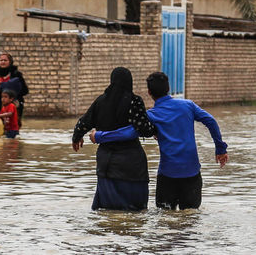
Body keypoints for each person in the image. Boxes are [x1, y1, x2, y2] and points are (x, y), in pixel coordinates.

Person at [95, 71, 228, 210]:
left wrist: (99, 136)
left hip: (167, 176)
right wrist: (220, 149)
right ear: (168, 88)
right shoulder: (188, 106)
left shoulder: (151, 114)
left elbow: (129, 132)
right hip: (192, 174)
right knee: (191, 219)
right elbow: (211, 121)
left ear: (149, 92)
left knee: (164, 219)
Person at [71, 67, 156, 211]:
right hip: (131, 165)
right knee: (135, 213)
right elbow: (144, 130)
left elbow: (83, 122)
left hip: (107, 165)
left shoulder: (101, 101)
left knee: (107, 211)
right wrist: (155, 129)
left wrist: (76, 137)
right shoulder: (134, 101)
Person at [0, 53, 29, 126]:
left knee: (13, 125)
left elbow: (25, 90)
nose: (3, 62)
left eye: (5, 60)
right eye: (1, 60)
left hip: (14, 104)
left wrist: (12, 95)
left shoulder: (16, 74)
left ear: (10, 62)